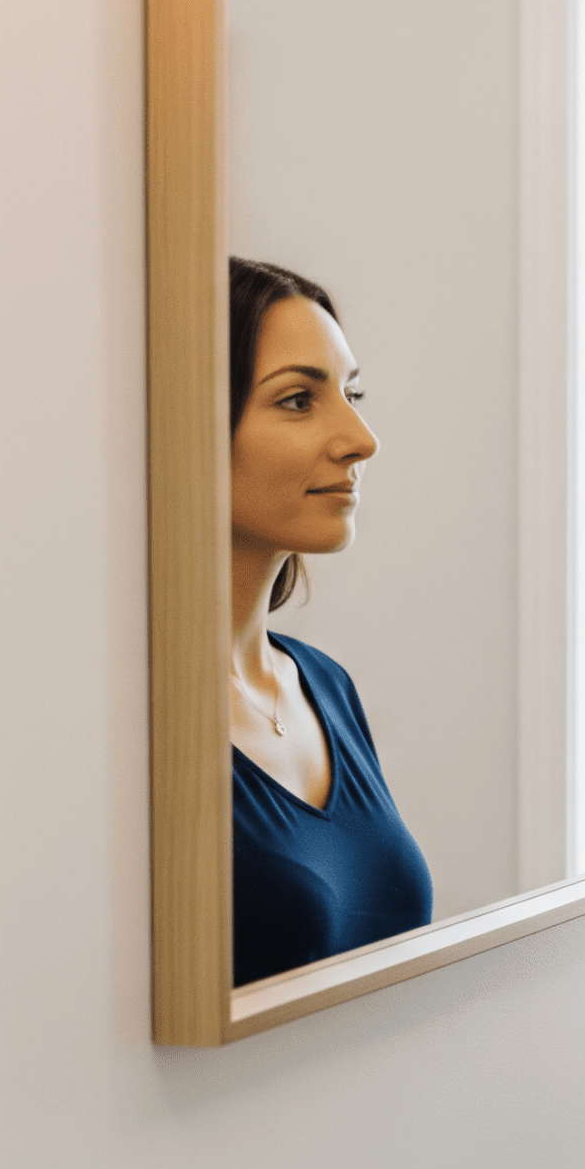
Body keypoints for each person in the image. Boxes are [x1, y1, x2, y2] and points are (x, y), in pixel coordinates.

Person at [227, 257, 432, 986]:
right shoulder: (130, 717)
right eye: (296, 400)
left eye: (351, 392)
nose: (360, 438)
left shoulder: (324, 685)